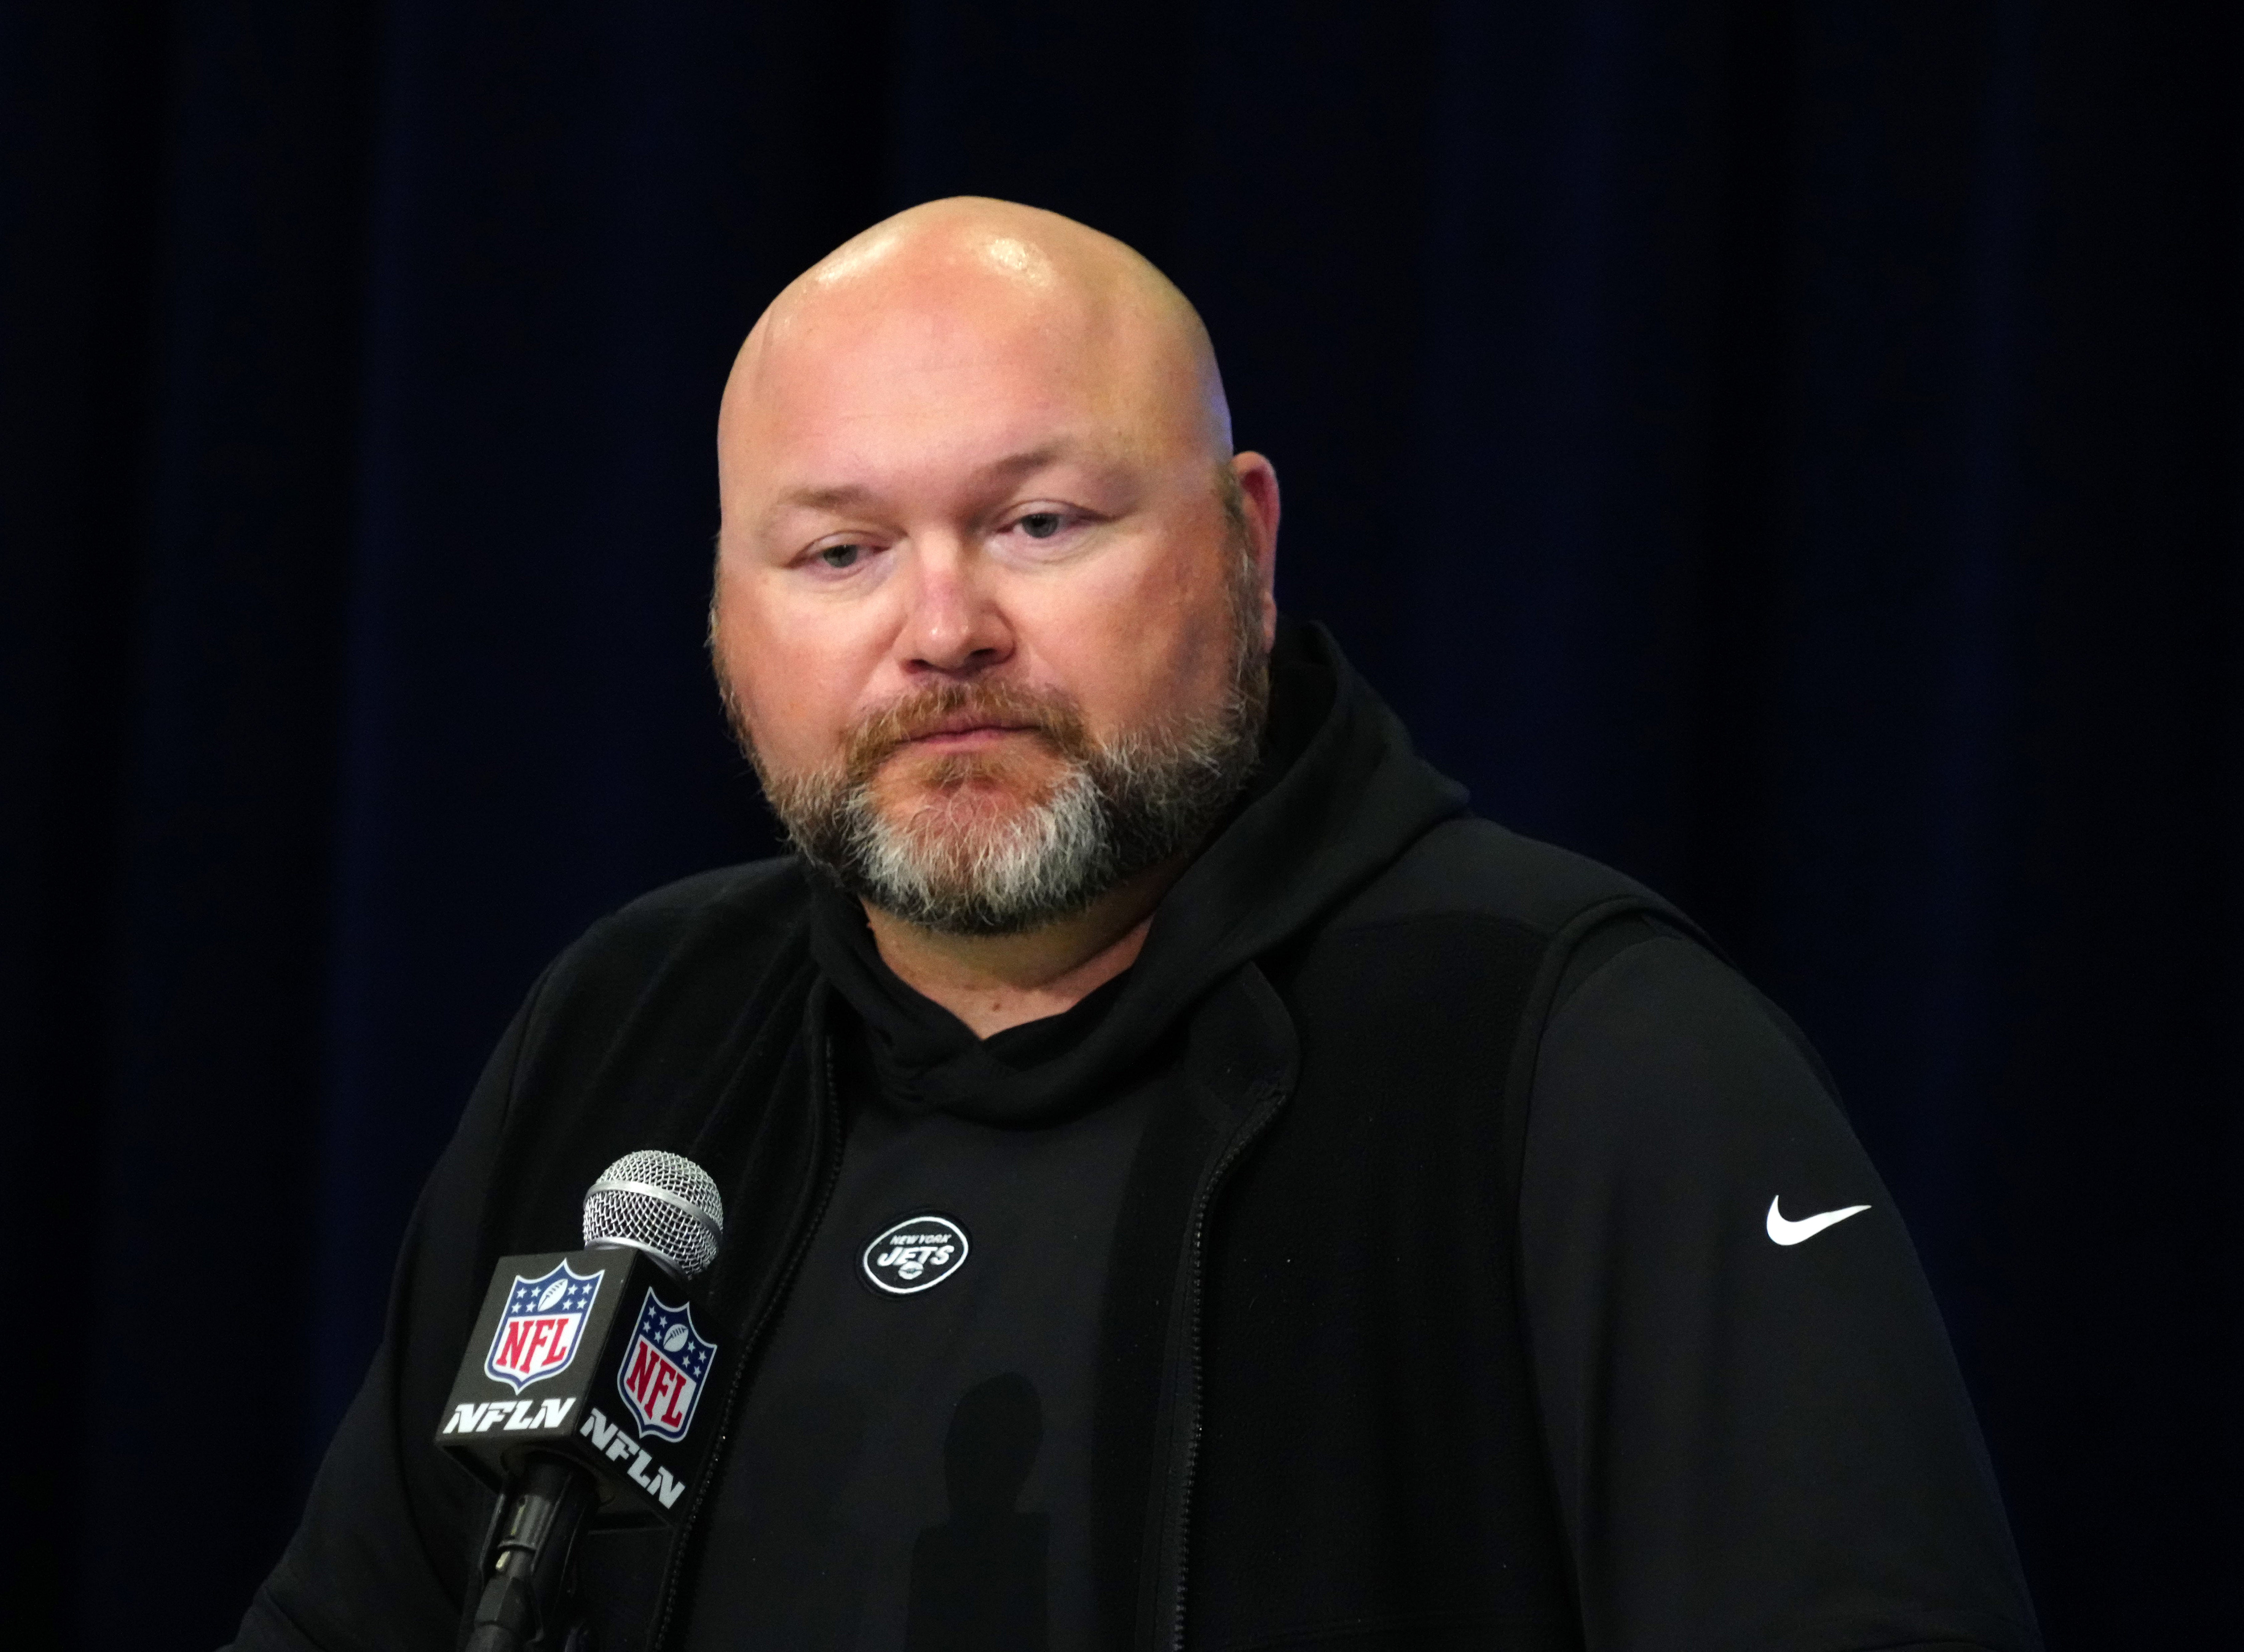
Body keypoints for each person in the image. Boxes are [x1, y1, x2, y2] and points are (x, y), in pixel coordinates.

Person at [229, 198, 2040, 1652]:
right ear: (722, 608)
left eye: (1037, 520)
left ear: (1244, 543)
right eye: (838, 551)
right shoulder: (629, 1035)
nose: (942, 630)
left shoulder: (1581, 1047)